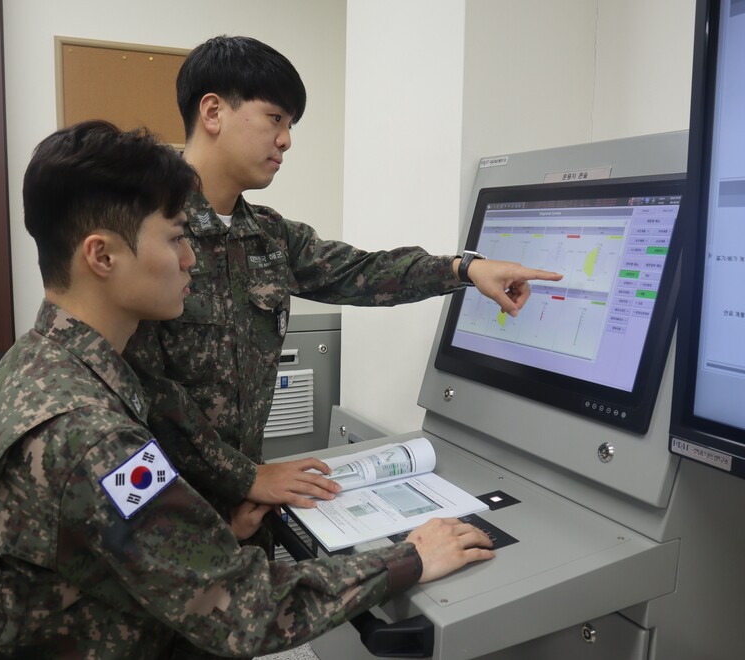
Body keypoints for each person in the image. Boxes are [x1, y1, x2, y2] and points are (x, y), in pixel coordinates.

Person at [0, 120, 494, 658]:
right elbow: (238, 607)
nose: (190, 258)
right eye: (176, 238)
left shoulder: (36, 361)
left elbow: (95, 542)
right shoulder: (93, 438)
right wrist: (409, 559)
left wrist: (207, 534)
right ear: (102, 256)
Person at [123, 35, 563, 531]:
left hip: (251, 501)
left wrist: (465, 269)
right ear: (213, 111)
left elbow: (362, 272)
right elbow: (147, 395)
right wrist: (244, 476)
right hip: (165, 515)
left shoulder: (267, 235)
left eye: (290, 125)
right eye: (275, 118)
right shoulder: (145, 234)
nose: (286, 139)